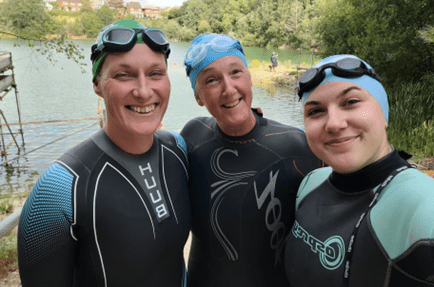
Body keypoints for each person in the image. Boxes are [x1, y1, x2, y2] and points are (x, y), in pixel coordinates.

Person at [17, 20, 191, 287]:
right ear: (98, 84)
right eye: (124, 75)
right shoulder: (59, 190)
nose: (144, 91)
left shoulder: (178, 150)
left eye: (156, 73)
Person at [181, 33, 322, 287]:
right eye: (211, 80)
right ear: (198, 97)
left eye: (236, 72)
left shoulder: (296, 146)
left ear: (249, 78)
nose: (228, 88)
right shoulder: (191, 137)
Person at [285, 54, 434, 286]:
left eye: (351, 102)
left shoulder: (422, 204)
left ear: (384, 113)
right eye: (315, 111)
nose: (334, 123)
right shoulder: (311, 183)